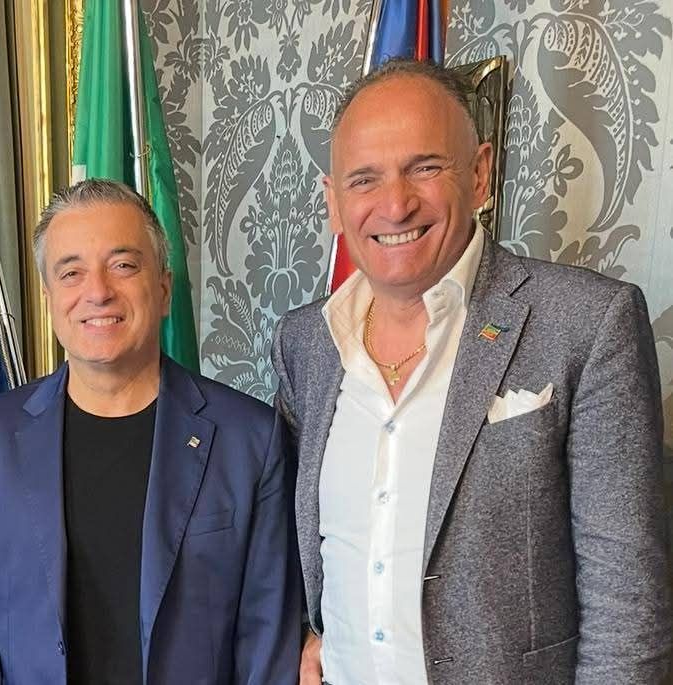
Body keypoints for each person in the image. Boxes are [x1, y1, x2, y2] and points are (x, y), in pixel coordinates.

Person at [272, 58, 671, 684]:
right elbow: (295, 537)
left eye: (425, 168)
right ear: (334, 202)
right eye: (364, 179)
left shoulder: (589, 323)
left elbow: (628, 605)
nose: (395, 204)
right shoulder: (306, 342)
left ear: (480, 174)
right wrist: (305, 631)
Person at [0, 179, 301, 684]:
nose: (98, 292)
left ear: (164, 288)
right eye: (71, 272)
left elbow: (267, 646)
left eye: (124, 265)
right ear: (49, 297)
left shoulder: (251, 439)